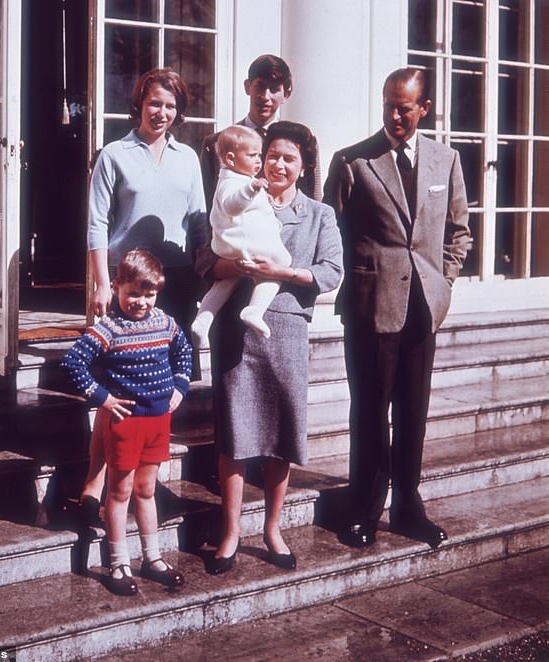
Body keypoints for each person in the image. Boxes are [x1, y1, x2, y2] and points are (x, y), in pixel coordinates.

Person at [323, 67, 470, 549]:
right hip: (371, 308)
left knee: (413, 412)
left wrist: (443, 282)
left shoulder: (446, 161)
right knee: (370, 410)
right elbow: (333, 232)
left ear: (423, 108)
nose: (393, 115)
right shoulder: (353, 162)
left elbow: (457, 232)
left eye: (403, 107)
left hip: (423, 306)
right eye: (388, 104)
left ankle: (408, 506)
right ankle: (364, 509)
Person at [198, 121, 343, 574]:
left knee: (282, 433)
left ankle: (273, 528)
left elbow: (331, 272)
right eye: (273, 155)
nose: (278, 164)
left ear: (303, 167)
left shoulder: (319, 214)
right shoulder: (237, 197)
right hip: (237, 333)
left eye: (289, 158)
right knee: (234, 436)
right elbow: (205, 261)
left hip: (285, 328)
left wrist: (284, 273)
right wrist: (233, 266)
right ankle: (229, 532)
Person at [81, 68, 207, 523]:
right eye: (155, 103)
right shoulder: (115, 154)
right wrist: (102, 283)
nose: (163, 112)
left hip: (174, 283)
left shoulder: (188, 158)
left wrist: (208, 269)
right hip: (126, 281)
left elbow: (199, 221)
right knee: (116, 390)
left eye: (171, 106)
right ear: (140, 103)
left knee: (157, 388)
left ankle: (148, 480)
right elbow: (96, 223)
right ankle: (97, 481)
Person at [62, 250, 192, 595]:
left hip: (158, 421)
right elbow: (74, 363)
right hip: (126, 423)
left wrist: (180, 384)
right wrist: (102, 398)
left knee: (147, 490)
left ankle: (152, 558)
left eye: (149, 295)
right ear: (116, 286)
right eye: (134, 293)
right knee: (118, 493)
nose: (142, 302)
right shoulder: (108, 328)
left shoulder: (165, 322)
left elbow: (184, 351)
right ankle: (117, 562)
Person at [191, 125, 291, 346]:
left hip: (234, 245)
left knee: (227, 281)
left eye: (259, 154)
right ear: (230, 158)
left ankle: (203, 320)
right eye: (252, 155)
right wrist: (253, 189)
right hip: (242, 241)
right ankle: (254, 310)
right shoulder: (232, 182)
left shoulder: (239, 179)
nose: (258, 160)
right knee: (282, 262)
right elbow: (232, 206)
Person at [200, 54, 321, 211]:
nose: (265, 96)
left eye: (274, 89)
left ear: (287, 93)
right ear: (247, 87)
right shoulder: (217, 144)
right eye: (260, 86)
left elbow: (314, 200)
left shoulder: (303, 141)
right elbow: (207, 207)